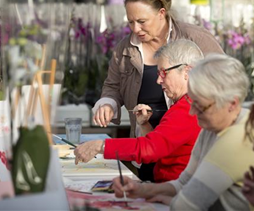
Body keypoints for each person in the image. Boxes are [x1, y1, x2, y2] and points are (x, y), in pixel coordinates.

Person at [91, 0, 224, 182]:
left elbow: (225, 80)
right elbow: (112, 85)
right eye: (130, 22)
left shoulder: (196, 38)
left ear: (161, 13)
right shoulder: (125, 48)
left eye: (142, 22)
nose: (135, 29)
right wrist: (108, 103)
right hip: (146, 141)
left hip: (186, 152)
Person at [110, 54, 254, 210]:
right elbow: (183, 183)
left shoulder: (236, 138)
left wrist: (173, 201)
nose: (192, 112)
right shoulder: (214, 126)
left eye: (201, 106)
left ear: (232, 104)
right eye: (192, 102)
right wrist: (142, 189)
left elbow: (186, 206)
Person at [74, 40, 204, 183]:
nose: (158, 81)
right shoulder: (189, 102)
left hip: (174, 192)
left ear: (187, 72)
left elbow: (150, 150)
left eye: (163, 73)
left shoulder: (187, 108)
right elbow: (162, 147)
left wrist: (100, 146)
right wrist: (144, 125)